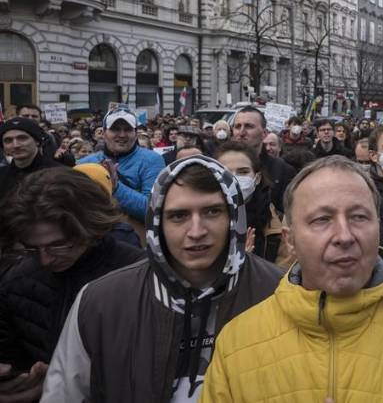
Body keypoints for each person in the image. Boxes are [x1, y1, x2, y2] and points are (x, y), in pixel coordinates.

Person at [199, 156, 383, 402]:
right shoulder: (238, 343)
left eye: (359, 217)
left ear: (379, 227)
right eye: (321, 220)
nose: (344, 235)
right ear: (289, 239)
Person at [41, 156, 283, 403]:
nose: (197, 231)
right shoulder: (101, 303)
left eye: (212, 211)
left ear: (233, 216)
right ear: (157, 222)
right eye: (179, 216)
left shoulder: (281, 293)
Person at [0, 168, 144, 403]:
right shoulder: (15, 281)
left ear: (91, 226)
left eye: (58, 245)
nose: (45, 260)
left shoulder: (140, 278)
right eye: (32, 249)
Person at [77, 107, 165, 225]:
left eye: (128, 129)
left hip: (134, 240)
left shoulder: (152, 160)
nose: (122, 135)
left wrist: (115, 188)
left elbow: (153, 209)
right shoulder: (85, 164)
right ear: (103, 133)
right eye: (115, 129)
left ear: (135, 133)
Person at [215, 141, 282, 261]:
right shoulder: (202, 221)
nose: (234, 178)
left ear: (257, 178)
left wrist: (250, 264)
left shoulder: (277, 223)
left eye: (243, 172)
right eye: (225, 173)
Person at [231, 106, 296, 216]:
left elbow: (290, 212)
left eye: (249, 126)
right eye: (237, 126)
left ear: (264, 133)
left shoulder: (282, 170)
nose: (241, 133)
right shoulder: (220, 166)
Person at [0, 118, 64, 205]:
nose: (15, 145)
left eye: (22, 138)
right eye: (8, 140)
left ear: (37, 141)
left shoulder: (61, 174)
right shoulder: (2, 175)